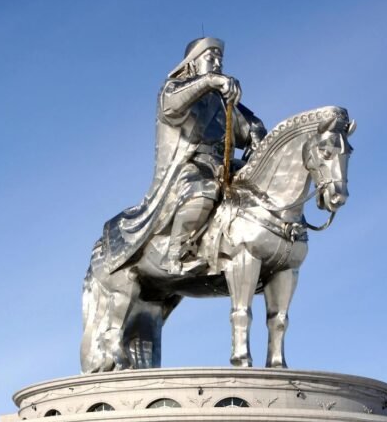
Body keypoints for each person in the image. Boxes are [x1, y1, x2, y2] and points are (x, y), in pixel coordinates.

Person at [101, 37, 266, 275]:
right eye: (211, 59)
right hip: (191, 166)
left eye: (220, 59)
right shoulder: (173, 90)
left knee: (259, 187)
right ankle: (176, 253)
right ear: (193, 63)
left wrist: (257, 135)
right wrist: (209, 81)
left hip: (226, 165)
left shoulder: (220, 100)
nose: (218, 63)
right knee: (203, 192)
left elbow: (250, 125)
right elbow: (172, 107)